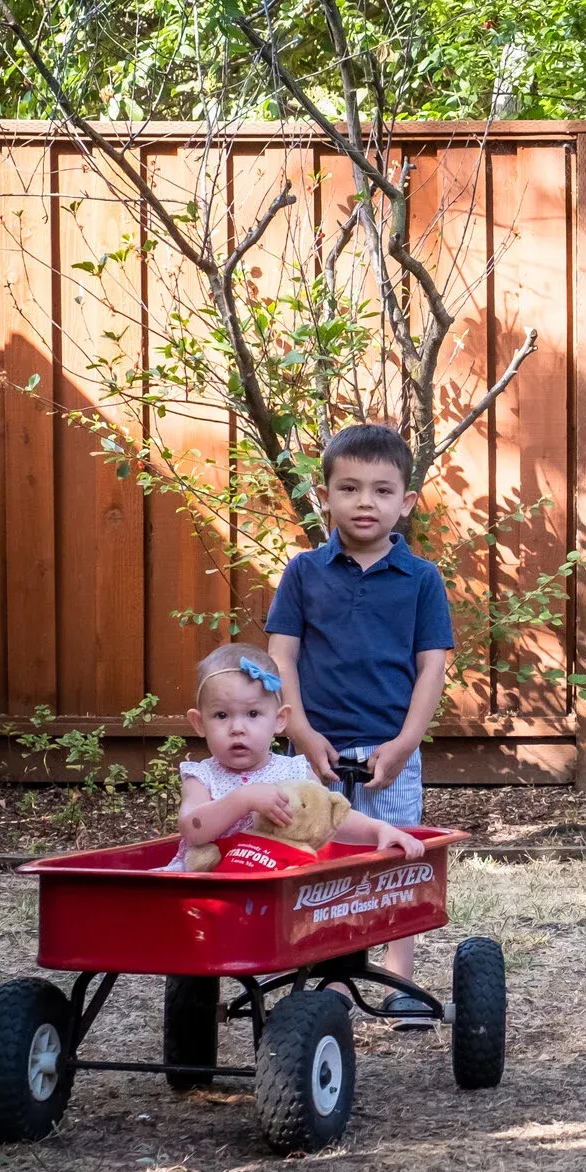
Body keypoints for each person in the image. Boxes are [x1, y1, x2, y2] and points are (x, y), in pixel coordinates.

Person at [269, 423, 456, 1021]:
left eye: (381, 490)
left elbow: (432, 668)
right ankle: (326, 986)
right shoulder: (304, 573)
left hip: (387, 753)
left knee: (398, 861)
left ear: (405, 502)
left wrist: (404, 743)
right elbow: (282, 657)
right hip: (315, 751)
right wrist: (299, 731)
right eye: (349, 488)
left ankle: (400, 985)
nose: (365, 502)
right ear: (325, 495)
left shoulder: (422, 580)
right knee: (316, 862)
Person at [167, 641, 424, 872]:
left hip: (278, 881)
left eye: (253, 714)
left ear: (279, 720)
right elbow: (193, 829)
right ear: (199, 723)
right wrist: (243, 800)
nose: (237, 728)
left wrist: (378, 829)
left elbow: (328, 818)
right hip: (211, 890)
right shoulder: (202, 777)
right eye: (221, 715)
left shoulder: (294, 772)